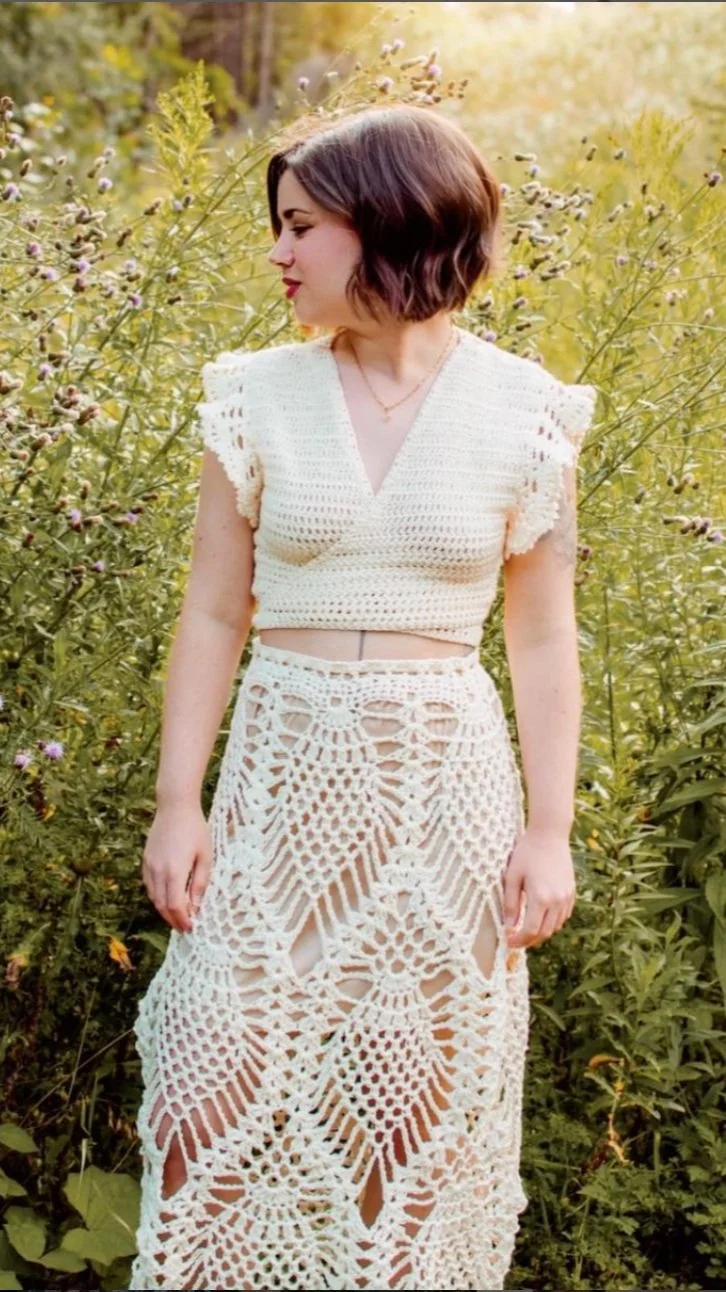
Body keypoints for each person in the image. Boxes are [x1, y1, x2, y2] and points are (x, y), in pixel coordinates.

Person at [129, 102, 597, 1291]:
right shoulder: (254, 393)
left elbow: (542, 635)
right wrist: (178, 800)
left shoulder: (527, 410)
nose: (279, 253)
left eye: (301, 225)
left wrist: (551, 829)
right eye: (278, 227)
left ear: (388, 218)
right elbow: (213, 611)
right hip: (280, 769)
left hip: (444, 783)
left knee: (407, 1115)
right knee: (201, 1079)